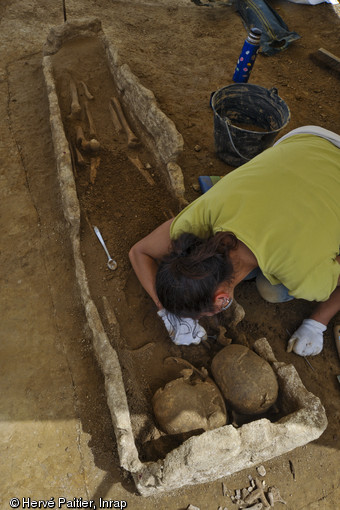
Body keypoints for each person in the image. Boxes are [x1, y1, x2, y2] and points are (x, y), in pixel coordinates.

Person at [129, 126, 340, 355]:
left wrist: (317, 322)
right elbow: (139, 252)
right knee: (267, 286)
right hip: (306, 140)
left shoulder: (303, 275)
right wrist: (166, 310)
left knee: (274, 291)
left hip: (317, 148)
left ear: (222, 300)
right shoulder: (205, 214)